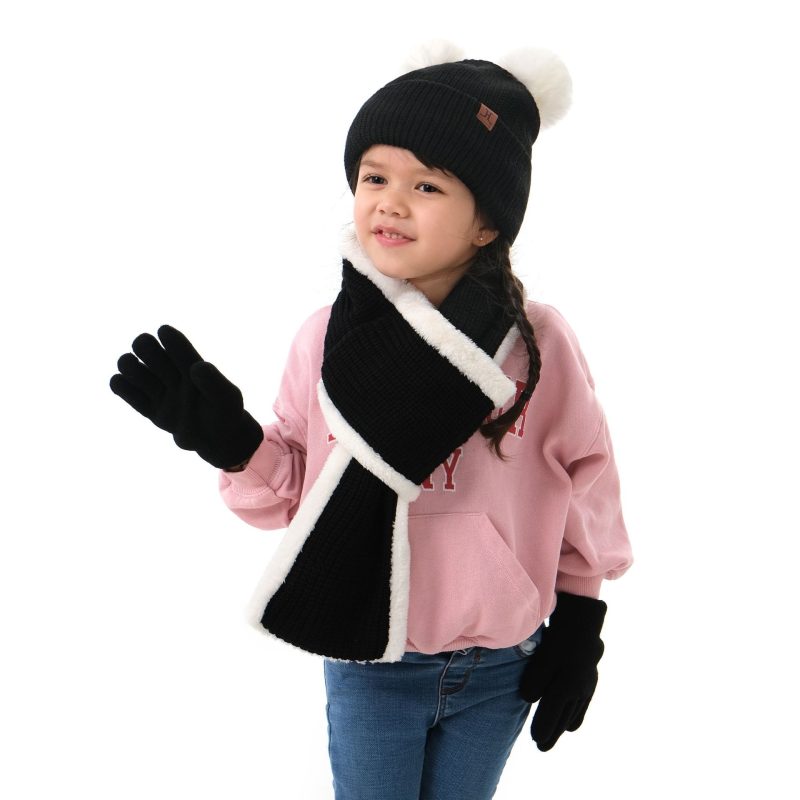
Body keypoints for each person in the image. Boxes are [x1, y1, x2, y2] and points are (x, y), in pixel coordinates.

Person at [110, 40, 633, 800]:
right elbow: (299, 495)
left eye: (427, 185)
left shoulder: (538, 343)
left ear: (488, 223)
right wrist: (237, 446)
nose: (389, 201)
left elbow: (586, 478)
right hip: (372, 661)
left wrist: (581, 620)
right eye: (374, 177)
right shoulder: (329, 338)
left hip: (503, 662)